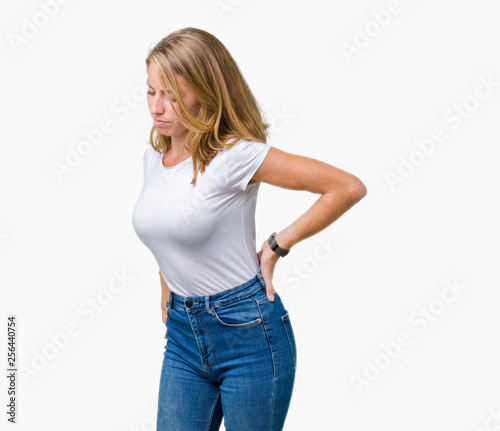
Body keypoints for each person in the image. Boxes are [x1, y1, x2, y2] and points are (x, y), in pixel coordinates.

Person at [132, 27, 367, 431]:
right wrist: (167, 284)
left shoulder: (235, 155)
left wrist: (277, 246)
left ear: (205, 92)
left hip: (249, 332)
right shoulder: (157, 154)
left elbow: (346, 187)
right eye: (151, 90)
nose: (157, 106)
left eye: (172, 94)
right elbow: (166, 227)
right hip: (183, 337)